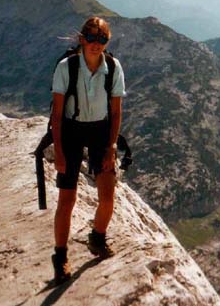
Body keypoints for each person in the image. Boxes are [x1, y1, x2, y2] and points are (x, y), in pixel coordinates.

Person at [50, 16, 126, 285]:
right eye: (91, 38)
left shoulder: (114, 68)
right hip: (71, 130)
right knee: (67, 200)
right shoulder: (66, 68)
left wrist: (112, 146)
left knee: (107, 195)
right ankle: (60, 258)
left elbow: (116, 112)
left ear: (107, 42)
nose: (96, 44)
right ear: (82, 39)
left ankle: (98, 237)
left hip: (100, 132)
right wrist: (58, 152)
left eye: (102, 39)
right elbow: (57, 114)